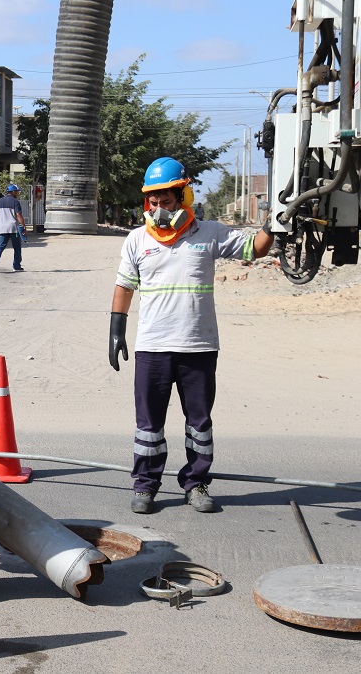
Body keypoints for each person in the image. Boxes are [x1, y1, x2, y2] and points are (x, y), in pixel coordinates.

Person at [109, 157, 273, 514]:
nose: (158, 209)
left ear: (184, 196)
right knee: (148, 424)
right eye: (153, 202)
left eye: (166, 202)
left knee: (199, 422)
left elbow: (255, 249)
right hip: (152, 348)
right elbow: (124, 286)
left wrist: (274, 225)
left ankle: (196, 483)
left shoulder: (211, 233)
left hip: (198, 347)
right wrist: (116, 331)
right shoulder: (137, 240)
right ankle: (146, 485)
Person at [0, 183, 27, 273]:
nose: (18, 193)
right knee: (17, 247)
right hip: (13, 228)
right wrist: (23, 226)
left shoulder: (0, 201)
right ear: (13, 192)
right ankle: (16, 266)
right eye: (17, 192)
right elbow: (18, 215)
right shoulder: (15, 201)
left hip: (2, 227)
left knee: (0, 246)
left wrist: (4, 216)